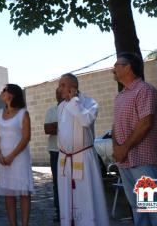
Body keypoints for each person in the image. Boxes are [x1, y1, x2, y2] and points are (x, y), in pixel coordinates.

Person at [112, 52, 157, 225]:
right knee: (138, 212)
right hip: (124, 162)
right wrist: (116, 148)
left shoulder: (145, 90)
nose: (113, 70)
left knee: (155, 210)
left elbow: (145, 123)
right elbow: (115, 126)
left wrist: (123, 148)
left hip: (143, 160)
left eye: (117, 65)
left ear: (128, 67)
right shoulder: (120, 96)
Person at [56, 73, 108, 226]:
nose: (59, 89)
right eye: (59, 86)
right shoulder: (60, 106)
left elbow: (85, 120)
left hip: (83, 157)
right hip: (65, 158)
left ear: (74, 87)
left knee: (86, 196)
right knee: (67, 196)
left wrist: (74, 102)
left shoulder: (90, 103)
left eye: (63, 85)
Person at [0, 83, 33, 226]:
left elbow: (26, 137)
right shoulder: (0, 113)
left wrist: (11, 156)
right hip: (3, 159)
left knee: (23, 193)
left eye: (4, 90)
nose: (1, 91)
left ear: (11, 95)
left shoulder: (23, 113)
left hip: (19, 159)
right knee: (8, 194)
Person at [44, 88, 63, 222]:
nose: (58, 95)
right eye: (56, 93)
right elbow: (47, 129)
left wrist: (56, 126)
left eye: (61, 92)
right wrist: (63, 124)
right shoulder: (51, 111)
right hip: (55, 152)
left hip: (71, 152)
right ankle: (59, 211)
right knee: (57, 183)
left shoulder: (72, 109)